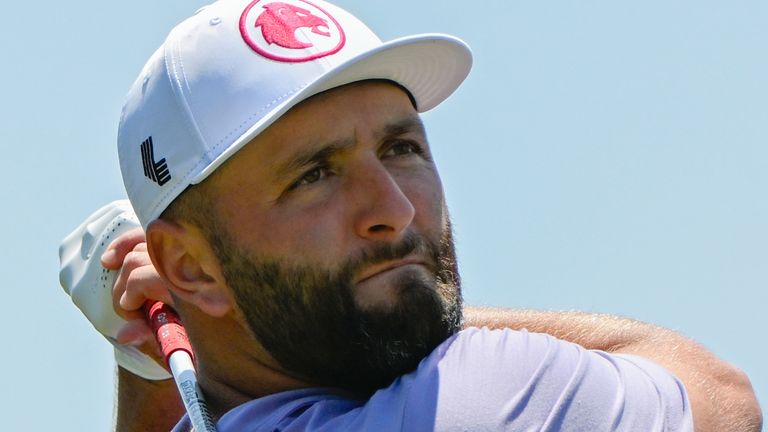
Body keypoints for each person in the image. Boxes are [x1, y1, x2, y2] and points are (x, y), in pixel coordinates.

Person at [59, 0, 762, 430]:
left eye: (400, 148)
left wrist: (155, 357)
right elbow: (722, 401)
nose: (392, 210)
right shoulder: (477, 397)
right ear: (189, 265)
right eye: (314, 175)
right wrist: (405, 292)